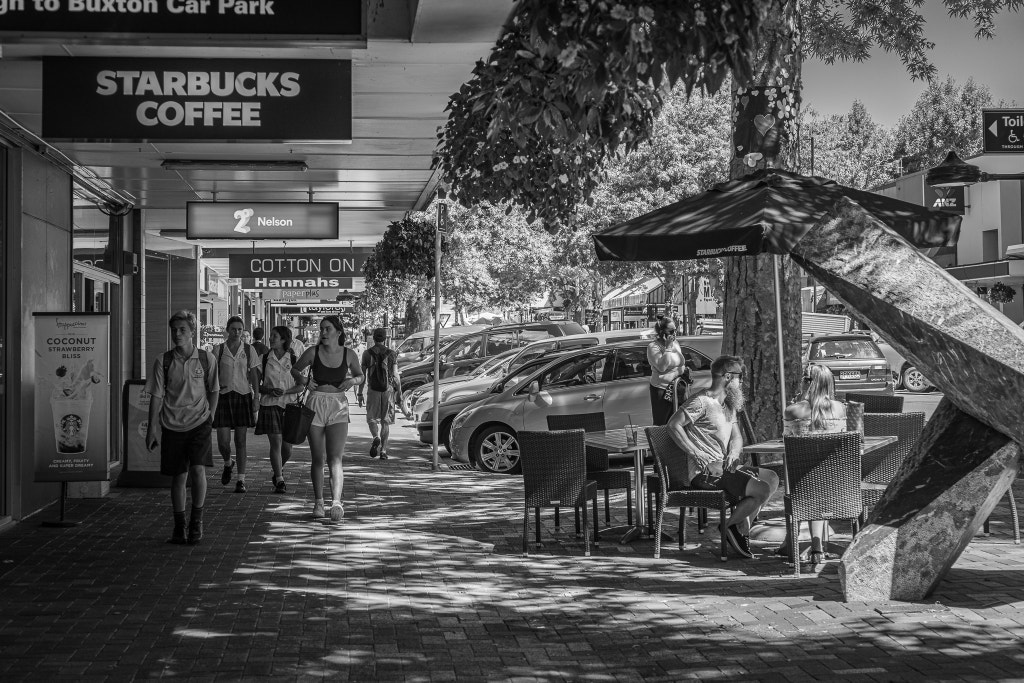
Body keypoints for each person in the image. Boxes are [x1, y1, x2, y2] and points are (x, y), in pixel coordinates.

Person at [667, 355, 780, 558]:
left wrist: (734, 453)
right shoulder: (701, 402)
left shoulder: (728, 404)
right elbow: (673, 425)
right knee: (761, 489)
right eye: (740, 376)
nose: (742, 381)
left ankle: (738, 528)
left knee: (771, 477)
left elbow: (736, 437)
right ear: (728, 377)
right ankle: (728, 527)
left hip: (724, 467)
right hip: (704, 473)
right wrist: (695, 452)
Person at [145, 310, 219, 545]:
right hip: (172, 424)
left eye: (182, 330)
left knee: (198, 471)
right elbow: (156, 396)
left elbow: (214, 389)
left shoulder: (207, 359)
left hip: (200, 423)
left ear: (192, 331)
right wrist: (151, 429)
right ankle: (180, 526)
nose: (177, 334)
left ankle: (197, 521)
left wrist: (211, 417)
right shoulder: (163, 361)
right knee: (179, 476)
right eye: (174, 330)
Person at [291, 315, 363, 522]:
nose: (323, 332)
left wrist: (353, 381)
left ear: (338, 332)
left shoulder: (349, 354)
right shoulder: (313, 352)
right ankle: (319, 501)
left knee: (335, 458)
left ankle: (337, 502)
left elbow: (360, 376)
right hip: (315, 403)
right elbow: (294, 368)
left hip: (338, 405)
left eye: (327, 329)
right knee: (317, 458)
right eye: (321, 329)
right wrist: (303, 379)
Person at [781, 363, 848, 561]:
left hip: (803, 483)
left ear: (809, 383)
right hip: (838, 482)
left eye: (803, 378)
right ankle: (816, 547)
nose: (800, 381)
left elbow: (786, 442)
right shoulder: (840, 409)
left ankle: (801, 545)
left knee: (810, 478)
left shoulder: (793, 411)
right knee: (820, 479)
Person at [214, 316, 261, 493]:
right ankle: (228, 462)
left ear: (243, 331)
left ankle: (241, 479)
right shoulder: (218, 350)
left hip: (243, 396)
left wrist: (256, 397)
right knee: (223, 442)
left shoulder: (249, 350)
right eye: (233, 329)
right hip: (223, 397)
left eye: (240, 329)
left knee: (240, 441)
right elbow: (212, 375)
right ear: (227, 329)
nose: (237, 332)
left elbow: (255, 375)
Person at [255, 326, 304, 493]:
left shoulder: (294, 359)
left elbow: (300, 386)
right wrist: (268, 391)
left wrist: (286, 392)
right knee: (275, 441)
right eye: (270, 336)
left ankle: (278, 470)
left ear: (284, 339)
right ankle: (280, 479)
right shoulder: (264, 358)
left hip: (289, 405)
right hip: (269, 404)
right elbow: (256, 385)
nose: (270, 338)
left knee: (287, 448)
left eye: (274, 336)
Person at [360, 328, 404, 460]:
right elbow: (396, 375)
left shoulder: (367, 354)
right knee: (386, 421)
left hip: (373, 389)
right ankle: (383, 451)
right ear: (385, 339)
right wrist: (399, 393)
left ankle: (375, 437)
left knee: (372, 418)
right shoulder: (392, 354)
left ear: (373, 338)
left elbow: (362, 375)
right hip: (388, 390)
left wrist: (359, 393)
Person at [647, 317, 687, 426]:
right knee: (663, 422)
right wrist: (668, 348)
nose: (675, 333)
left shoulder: (676, 343)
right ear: (662, 332)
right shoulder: (653, 347)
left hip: (677, 388)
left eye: (675, 329)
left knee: (679, 422)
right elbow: (662, 367)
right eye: (671, 331)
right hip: (662, 389)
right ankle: (662, 442)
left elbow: (680, 362)